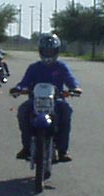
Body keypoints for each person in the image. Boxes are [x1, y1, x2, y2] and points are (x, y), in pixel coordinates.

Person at [11, 33, 80, 163]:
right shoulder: (34, 67)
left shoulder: (61, 67)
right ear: (40, 51)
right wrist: (18, 88)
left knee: (66, 111)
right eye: (46, 51)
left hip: (56, 101)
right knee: (23, 111)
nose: (48, 54)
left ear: (56, 51)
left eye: (51, 51)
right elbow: (24, 82)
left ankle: (62, 151)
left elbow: (70, 79)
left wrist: (75, 88)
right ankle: (26, 147)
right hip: (35, 101)